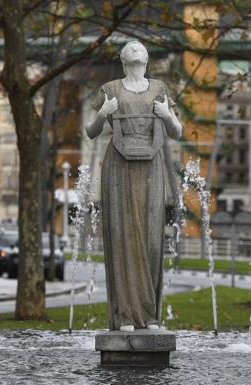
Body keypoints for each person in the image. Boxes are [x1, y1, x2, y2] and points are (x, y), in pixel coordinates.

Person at [85, 41, 182, 332]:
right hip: (118, 168)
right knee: (123, 238)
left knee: (152, 240)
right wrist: (104, 113)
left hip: (151, 168)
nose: (135, 47)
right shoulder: (109, 90)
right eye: (130, 47)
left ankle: (150, 316)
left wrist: (166, 115)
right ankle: (125, 315)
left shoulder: (160, 88)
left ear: (147, 58)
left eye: (139, 46)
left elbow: (177, 132)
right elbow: (91, 133)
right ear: (122, 59)